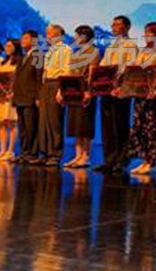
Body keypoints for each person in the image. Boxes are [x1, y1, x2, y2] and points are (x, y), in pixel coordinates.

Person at [95, 15, 138, 174]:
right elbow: (103, 66)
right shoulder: (111, 47)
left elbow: (129, 68)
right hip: (107, 89)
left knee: (120, 125)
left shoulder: (131, 46)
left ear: (127, 27)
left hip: (121, 90)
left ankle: (122, 159)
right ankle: (109, 160)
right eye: (113, 24)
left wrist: (117, 81)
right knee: (107, 126)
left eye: (117, 24)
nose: (113, 27)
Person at [127, 22, 156, 176]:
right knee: (140, 127)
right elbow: (136, 70)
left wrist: (154, 88)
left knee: (152, 128)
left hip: (153, 94)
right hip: (140, 93)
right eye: (145, 33)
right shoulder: (143, 51)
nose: (146, 36)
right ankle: (144, 160)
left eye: (149, 33)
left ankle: (151, 162)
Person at [61, 25, 100, 169]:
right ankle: (77, 155)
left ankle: (86, 156)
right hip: (74, 92)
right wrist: (64, 91)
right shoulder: (76, 53)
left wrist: (88, 91)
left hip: (86, 91)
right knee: (76, 125)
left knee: (85, 125)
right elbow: (70, 73)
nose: (75, 38)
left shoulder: (93, 51)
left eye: (77, 35)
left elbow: (92, 74)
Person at [36, 24, 71, 168]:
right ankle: (44, 152)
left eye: (49, 34)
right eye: (47, 34)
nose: (47, 37)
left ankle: (55, 154)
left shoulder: (65, 49)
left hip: (56, 84)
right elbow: (45, 72)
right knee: (44, 121)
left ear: (57, 35)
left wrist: (61, 90)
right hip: (46, 85)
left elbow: (66, 70)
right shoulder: (50, 50)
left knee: (54, 120)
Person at [11, 30, 44, 164]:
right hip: (20, 97)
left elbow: (39, 78)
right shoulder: (23, 57)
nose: (22, 40)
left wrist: (38, 96)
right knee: (23, 127)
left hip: (30, 97)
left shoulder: (38, 55)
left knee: (31, 127)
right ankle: (24, 153)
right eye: (22, 38)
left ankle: (32, 153)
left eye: (25, 38)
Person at [0, 39, 22, 162]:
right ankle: (2, 150)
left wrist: (13, 92)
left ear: (16, 47)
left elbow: (19, 79)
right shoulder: (2, 62)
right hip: (1, 96)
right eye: (6, 46)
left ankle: (10, 150)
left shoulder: (19, 61)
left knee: (11, 123)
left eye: (9, 46)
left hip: (11, 96)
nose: (6, 48)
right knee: (1, 123)